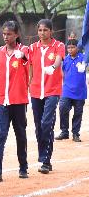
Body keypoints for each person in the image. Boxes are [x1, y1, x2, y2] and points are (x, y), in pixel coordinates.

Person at [0, 20, 30, 181]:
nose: (6, 37)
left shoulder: (24, 50)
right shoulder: (0, 51)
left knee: (20, 135)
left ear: (17, 35)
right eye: (4, 34)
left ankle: (23, 167)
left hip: (19, 100)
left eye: (9, 34)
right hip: (1, 100)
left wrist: (23, 57)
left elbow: (30, 60)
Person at [29, 19, 65, 174]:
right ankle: (45, 158)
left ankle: (45, 159)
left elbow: (58, 60)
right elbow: (29, 67)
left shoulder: (59, 46)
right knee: (38, 126)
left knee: (46, 123)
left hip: (52, 90)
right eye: (40, 30)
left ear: (51, 31)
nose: (42, 33)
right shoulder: (33, 48)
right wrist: (28, 86)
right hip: (36, 91)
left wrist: (53, 67)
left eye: (45, 30)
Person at [56, 39, 86, 142]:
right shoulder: (65, 59)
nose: (70, 49)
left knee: (78, 113)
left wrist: (84, 65)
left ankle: (75, 133)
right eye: (68, 47)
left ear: (77, 48)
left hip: (80, 91)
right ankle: (64, 131)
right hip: (67, 90)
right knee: (63, 108)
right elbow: (61, 72)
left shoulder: (83, 58)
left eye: (73, 47)